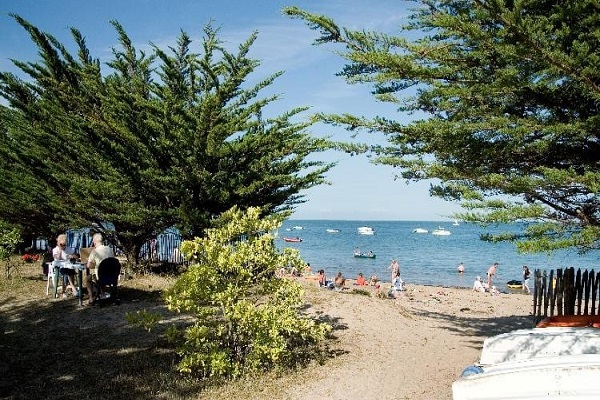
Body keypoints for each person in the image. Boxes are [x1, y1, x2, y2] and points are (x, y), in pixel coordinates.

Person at [86, 233, 115, 305]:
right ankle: (103, 293)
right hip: (112, 276)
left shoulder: (95, 251)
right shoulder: (110, 249)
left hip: (101, 277)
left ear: (94, 241)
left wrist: (94, 264)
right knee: (101, 272)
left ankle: (91, 298)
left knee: (88, 278)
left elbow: (89, 266)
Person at [52, 234, 78, 298]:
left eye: (65, 244)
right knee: (67, 272)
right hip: (59, 268)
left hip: (69, 267)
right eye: (62, 244)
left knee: (70, 270)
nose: (63, 246)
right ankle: (72, 288)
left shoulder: (68, 249)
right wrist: (60, 250)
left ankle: (66, 291)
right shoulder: (55, 249)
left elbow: (77, 257)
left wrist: (72, 256)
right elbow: (57, 258)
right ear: (58, 243)